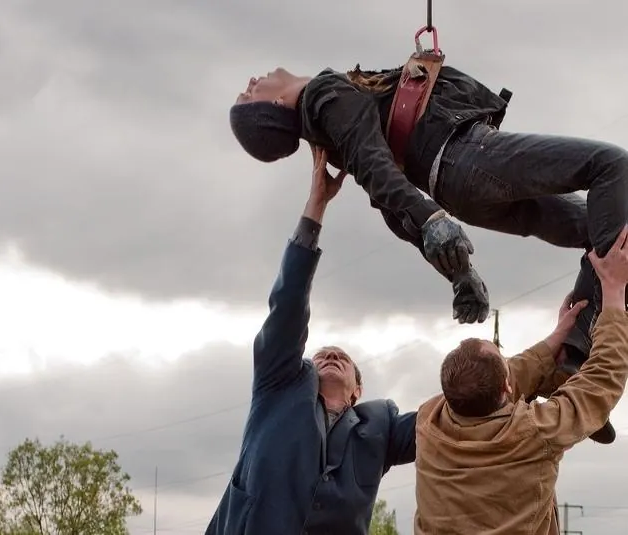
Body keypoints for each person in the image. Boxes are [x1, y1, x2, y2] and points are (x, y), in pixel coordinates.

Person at [228, 61, 628, 442]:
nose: (249, 83)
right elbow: (377, 170)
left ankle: (569, 363)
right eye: (247, 97)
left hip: (460, 186)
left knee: (613, 232)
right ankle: (581, 346)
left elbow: (385, 190)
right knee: (612, 165)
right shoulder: (323, 95)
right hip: (464, 158)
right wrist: (433, 221)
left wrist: (458, 270)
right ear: (275, 106)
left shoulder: (330, 127)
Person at [206, 146, 418, 535]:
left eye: (343, 358)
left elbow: (453, 413)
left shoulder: (381, 426)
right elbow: (287, 308)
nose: (333, 353)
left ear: (358, 391)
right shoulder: (280, 384)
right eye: (322, 354)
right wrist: (316, 205)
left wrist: (519, 374)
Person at [413, 226, 628, 535]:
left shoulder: (429, 422)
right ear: (507, 388)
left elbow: (495, 379)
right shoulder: (533, 432)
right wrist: (614, 294)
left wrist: (553, 341)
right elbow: (602, 381)